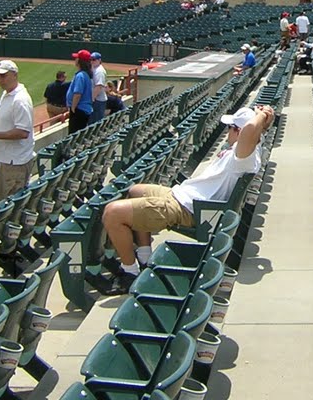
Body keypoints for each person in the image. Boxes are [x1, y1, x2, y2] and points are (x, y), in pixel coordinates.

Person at [101, 105, 275, 292]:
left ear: (239, 132)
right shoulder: (250, 146)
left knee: (112, 213)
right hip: (184, 195)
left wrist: (262, 114)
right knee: (135, 190)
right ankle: (144, 258)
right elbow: (253, 131)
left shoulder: (244, 157)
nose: (226, 132)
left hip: (187, 208)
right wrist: (266, 120)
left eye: (230, 128)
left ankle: (130, 274)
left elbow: (250, 129)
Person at [0, 60, 35, 202]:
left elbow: (23, 132)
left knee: (6, 203)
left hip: (14, 162)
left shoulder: (20, 100)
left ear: (15, 75)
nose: (0, 80)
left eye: (3, 76)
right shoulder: (7, 94)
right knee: (0, 199)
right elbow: (3, 122)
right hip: (5, 159)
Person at [67, 50, 94, 132]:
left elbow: (78, 94)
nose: (75, 60)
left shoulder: (80, 76)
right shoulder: (85, 74)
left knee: (73, 136)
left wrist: (73, 108)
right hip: (83, 110)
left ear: (79, 61)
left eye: (76, 58)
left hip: (79, 110)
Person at [90, 52, 108, 123]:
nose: (92, 61)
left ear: (99, 60)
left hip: (98, 101)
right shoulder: (94, 68)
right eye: (91, 59)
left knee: (95, 123)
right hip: (97, 100)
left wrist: (92, 99)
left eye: (94, 59)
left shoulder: (99, 71)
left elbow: (99, 86)